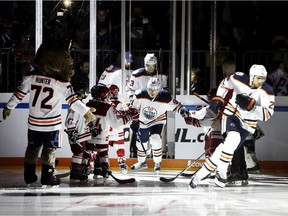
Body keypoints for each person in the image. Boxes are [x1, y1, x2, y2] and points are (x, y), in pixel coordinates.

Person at [2, 41, 96, 186]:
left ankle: (29, 175)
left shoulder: (31, 77)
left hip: (33, 123)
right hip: (51, 125)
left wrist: (9, 107)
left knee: (32, 149)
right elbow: (73, 101)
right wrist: (86, 112)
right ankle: (48, 176)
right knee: (49, 150)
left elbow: (19, 94)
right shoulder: (61, 83)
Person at [189, 64, 275, 188]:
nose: (261, 81)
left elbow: (267, 115)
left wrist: (251, 108)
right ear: (251, 76)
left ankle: (199, 175)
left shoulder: (267, 91)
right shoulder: (238, 78)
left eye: (263, 78)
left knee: (223, 149)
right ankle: (222, 172)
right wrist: (218, 98)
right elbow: (224, 84)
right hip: (231, 116)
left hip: (247, 125)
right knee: (233, 139)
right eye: (258, 78)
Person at [130, 77, 189, 173]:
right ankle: (142, 161)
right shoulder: (140, 94)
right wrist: (134, 121)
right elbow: (133, 109)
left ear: (159, 89)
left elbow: (177, 105)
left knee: (155, 138)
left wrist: (182, 110)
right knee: (141, 141)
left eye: (154, 90)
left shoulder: (165, 96)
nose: (151, 92)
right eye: (149, 89)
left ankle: (157, 162)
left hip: (158, 120)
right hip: (143, 121)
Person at [86, 85, 137, 179]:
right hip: (103, 135)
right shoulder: (107, 106)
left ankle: (85, 168)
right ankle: (105, 169)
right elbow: (116, 122)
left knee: (88, 153)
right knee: (103, 153)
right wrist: (129, 117)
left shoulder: (88, 104)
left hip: (89, 136)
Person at [125, 53, 167, 158]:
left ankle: (155, 157)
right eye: (148, 65)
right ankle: (137, 154)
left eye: (153, 66)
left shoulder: (162, 74)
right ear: (145, 64)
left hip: (156, 109)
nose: (150, 68)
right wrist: (131, 98)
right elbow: (129, 88)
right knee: (138, 131)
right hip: (140, 107)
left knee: (156, 136)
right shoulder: (136, 74)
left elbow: (165, 90)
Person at [65, 83, 93, 182]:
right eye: (82, 92)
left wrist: (91, 127)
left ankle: (81, 170)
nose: (84, 94)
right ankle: (75, 172)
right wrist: (72, 132)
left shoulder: (81, 105)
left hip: (83, 134)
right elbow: (69, 121)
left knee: (85, 152)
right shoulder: (74, 106)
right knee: (78, 152)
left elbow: (84, 119)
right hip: (78, 135)